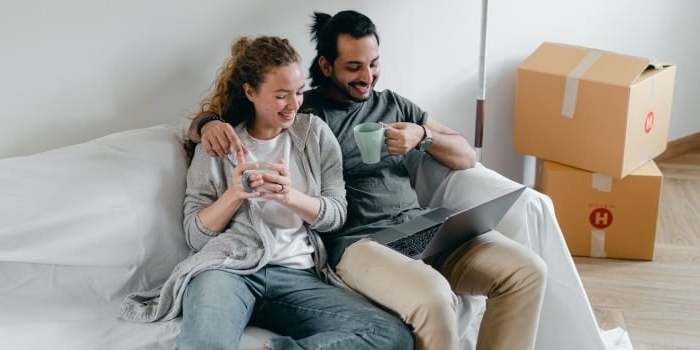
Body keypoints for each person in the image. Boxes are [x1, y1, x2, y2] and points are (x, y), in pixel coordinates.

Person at [189, 11, 548, 350]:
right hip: (360, 244)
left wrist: (423, 136)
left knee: (526, 271)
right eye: (353, 67)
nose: (367, 76)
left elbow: (466, 156)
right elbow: (229, 121)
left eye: (373, 64)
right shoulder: (306, 114)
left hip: (421, 228)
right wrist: (206, 124)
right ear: (327, 66)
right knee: (434, 296)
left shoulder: (393, 104)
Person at [119, 36, 414, 350]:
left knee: (392, 335)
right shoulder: (219, 143)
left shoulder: (314, 135)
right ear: (250, 92)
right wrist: (234, 194)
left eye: (299, 93)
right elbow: (196, 236)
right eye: (281, 95)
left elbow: (336, 216)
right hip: (227, 271)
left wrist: (289, 196)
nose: (293, 105)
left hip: (297, 276)